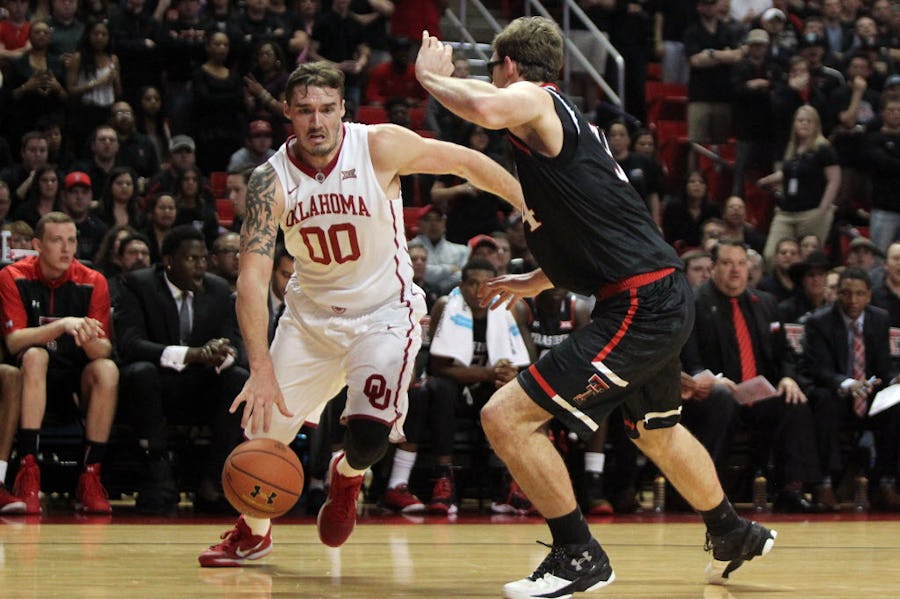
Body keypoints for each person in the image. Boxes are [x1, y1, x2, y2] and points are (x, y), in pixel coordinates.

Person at [416, 18, 776, 596]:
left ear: (508, 67)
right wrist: (538, 278)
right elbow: (595, 222)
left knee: (505, 417)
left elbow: (485, 111)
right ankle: (729, 529)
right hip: (653, 292)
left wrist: (432, 80)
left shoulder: (536, 100)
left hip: (638, 302)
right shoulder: (561, 129)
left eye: (495, 73)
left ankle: (579, 555)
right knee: (657, 432)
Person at [197, 61, 524, 567]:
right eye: (304, 110)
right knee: (261, 440)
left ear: (343, 109)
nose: (316, 121)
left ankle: (347, 476)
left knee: (370, 434)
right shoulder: (269, 181)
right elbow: (253, 280)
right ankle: (254, 532)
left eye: (327, 109)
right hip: (309, 322)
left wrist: (527, 202)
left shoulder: (378, 146)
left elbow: (463, 161)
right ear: (287, 112)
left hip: (384, 316)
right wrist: (260, 369)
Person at [681, 240, 825, 514]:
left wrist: (787, 378)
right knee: (720, 396)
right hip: (712, 394)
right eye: (727, 263)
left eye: (741, 263)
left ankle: (791, 489)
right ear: (713, 268)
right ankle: (708, 492)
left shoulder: (766, 303)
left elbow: (785, 355)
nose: (735, 270)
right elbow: (690, 360)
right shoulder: (695, 303)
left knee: (792, 398)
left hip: (756, 396)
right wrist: (711, 379)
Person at [115, 225, 248, 515]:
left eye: (203, 259)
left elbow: (236, 344)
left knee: (238, 377)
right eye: (191, 259)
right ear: (169, 261)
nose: (200, 266)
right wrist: (192, 355)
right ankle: (158, 473)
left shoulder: (217, 289)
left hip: (198, 386)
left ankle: (214, 481)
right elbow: (129, 344)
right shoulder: (138, 285)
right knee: (140, 372)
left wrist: (221, 354)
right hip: (154, 386)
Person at [1, 211, 119, 514]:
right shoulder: (12, 276)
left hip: (75, 378)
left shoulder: (94, 281)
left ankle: (90, 475)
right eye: (57, 241)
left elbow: (103, 349)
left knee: (107, 370)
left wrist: (91, 339)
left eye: (72, 240)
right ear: (38, 246)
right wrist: (64, 324)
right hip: (29, 377)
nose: (67, 249)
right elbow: (13, 342)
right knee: (36, 355)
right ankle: (29, 471)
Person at [802, 268, 900, 511]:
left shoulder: (880, 319)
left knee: (896, 403)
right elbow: (820, 370)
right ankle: (824, 484)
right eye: (846, 293)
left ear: (869, 296)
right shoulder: (819, 322)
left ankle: (885, 483)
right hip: (837, 393)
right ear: (837, 294)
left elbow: (883, 366)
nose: (853, 300)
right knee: (824, 401)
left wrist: (893, 380)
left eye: (859, 294)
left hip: (870, 393)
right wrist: (847, 384)